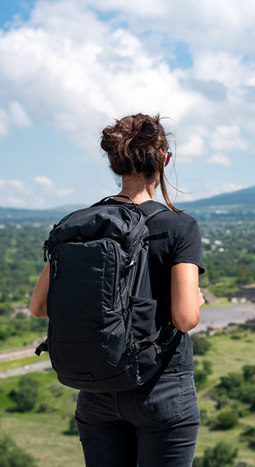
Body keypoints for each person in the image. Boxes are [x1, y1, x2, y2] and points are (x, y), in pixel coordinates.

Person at [30, 113, 205, 467]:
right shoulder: (179, 226)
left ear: (115, 163)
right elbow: (185, 319)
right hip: (162, 389)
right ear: (164, 161)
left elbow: (38, 307)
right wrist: (197, 301)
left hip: (97, 388)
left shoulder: (81, 223)